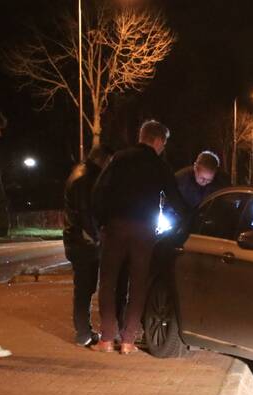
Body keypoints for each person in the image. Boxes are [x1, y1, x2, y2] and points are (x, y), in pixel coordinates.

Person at [91, 119, 186, 355]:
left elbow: (99, 191)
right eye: (163, 143)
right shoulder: (159, 165)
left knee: (109, 282)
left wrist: (102, 223)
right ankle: (128, 341)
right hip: (144, 231)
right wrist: (187, 223)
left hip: (116, 227)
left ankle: (106, 339)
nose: (163, 147)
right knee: (139, 284)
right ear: (157, 141)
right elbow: (174, 199)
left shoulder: (119, 159)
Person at [63, 144, 124, 346]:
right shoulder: (85, 178)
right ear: (102, 160)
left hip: (79, 241)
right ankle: (83, 334)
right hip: (82, 243)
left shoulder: (82, 174)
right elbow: (85, 213)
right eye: (109, 162)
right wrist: (98, 237)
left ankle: (84, 332)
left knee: (85, 287)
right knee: (84, 288)